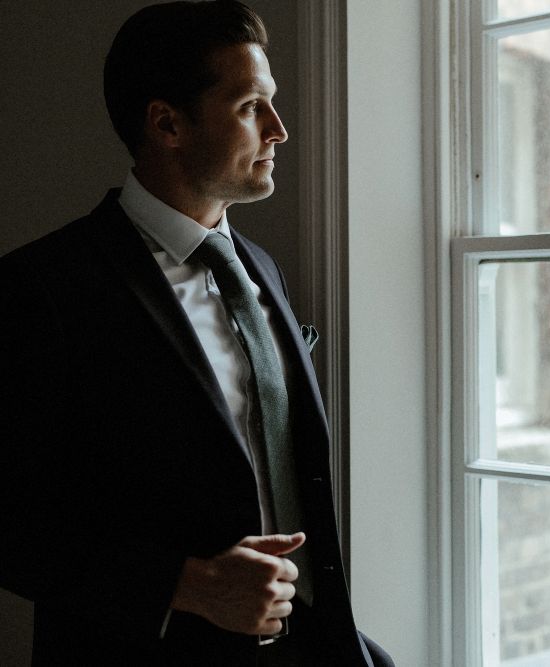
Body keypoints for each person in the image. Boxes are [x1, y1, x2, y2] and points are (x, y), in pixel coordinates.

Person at [0, 1, 395, 665]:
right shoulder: (42, 287)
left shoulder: (261, 268)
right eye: (250, 106)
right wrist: (186, 585)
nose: (279, 130)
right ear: (166, 124)